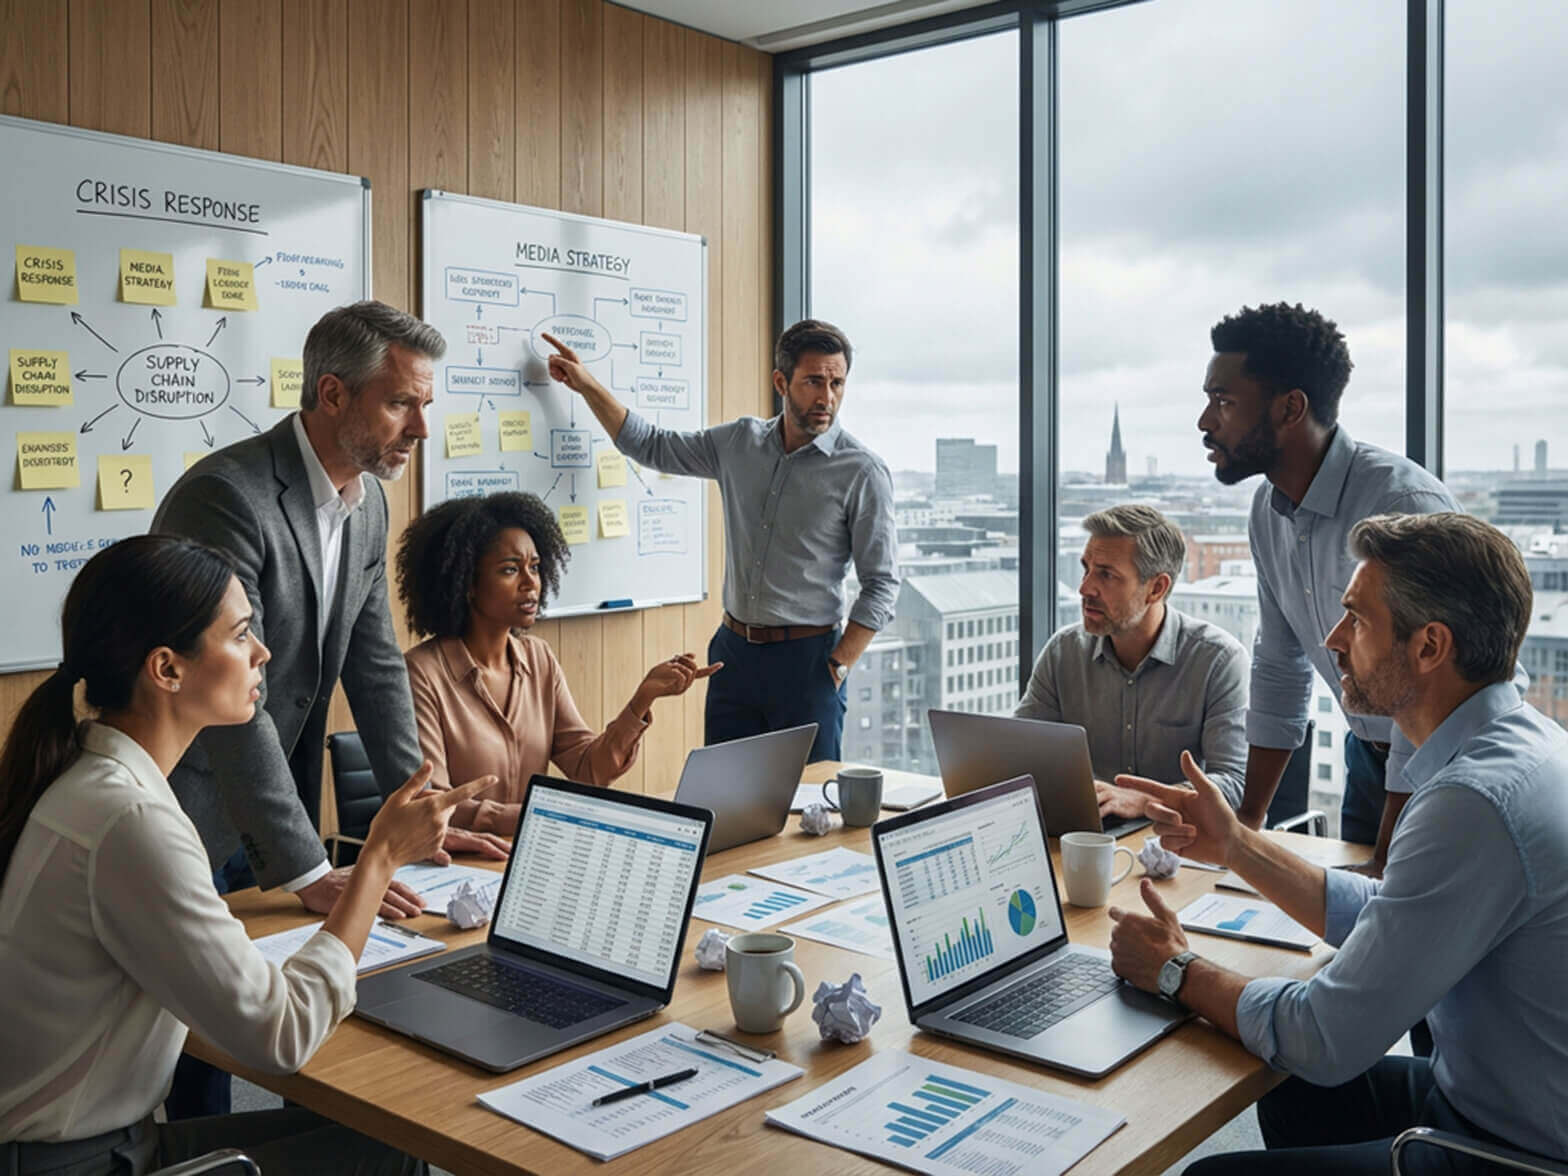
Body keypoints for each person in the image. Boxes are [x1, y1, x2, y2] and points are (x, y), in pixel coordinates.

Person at [0, 535, 493, 1174]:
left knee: (375, 1141)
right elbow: (280, 1035)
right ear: (166, 669)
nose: (263, 652)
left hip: (83, 1143)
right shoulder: (131, 819)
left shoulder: (90, 778)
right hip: (79, 1162)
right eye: (239, 636)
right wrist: (378, 860)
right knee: (390, 1159)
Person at [1105, 513, 1568, 1175]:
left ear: (1430, 647)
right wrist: (1236, 845)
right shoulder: (1521, 745)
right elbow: (1392, 908)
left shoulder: (1474, 805)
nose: (1333, 638)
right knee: (1294, 1096)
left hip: (1515, 1155)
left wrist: (1177, 970)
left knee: (1213, 1172)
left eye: (1356, 618)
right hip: (1498, 1098)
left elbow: (1324, 1035)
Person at [151, 300, 490, 1118]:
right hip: (192, 803)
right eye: (402, 403)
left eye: (426, 406)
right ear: (332, 395)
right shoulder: (227, 496)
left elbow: (375, 667)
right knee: (192, 1039)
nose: (421, 428)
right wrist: (306, 867)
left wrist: (423, 804)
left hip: (278, 800)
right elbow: (239, 695)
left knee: (295, 1019)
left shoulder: (367, 500)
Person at [542, 318, 898, 762]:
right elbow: (652, 445)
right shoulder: (739, 443)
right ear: (781, 382)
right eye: (813, 382)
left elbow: (882, 584)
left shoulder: (862, 471)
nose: (827, 398)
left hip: (809, 662)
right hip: (733, 656)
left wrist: (837, 666)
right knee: (728, 805)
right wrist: (587, 384)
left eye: (837, 383)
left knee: (809, 815)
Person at [1198, 302, 1459, 872]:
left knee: (1391, 924)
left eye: (1223, 402)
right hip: (1368, 754)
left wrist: (1386, 860)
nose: (1205, 421)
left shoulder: (1401, 506)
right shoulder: (1268, 509)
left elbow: (1427, 686)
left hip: (1447, 760)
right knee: (1348, 935)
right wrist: (1245, 831)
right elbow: (1278, 662)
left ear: (1291, 408)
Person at [395, 492, 720, 834]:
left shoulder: (538, 659)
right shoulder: (423, 673)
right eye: (509, 570)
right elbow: (435, 804)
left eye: (534, 567)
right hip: (460, 863)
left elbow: (588, 769)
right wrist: (540, 816)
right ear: (466, 583)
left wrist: (642, 701)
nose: (530, 582)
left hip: (534, 850)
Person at [1015, 505, 1247, 814]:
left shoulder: (1218, 661)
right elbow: (1018, 757)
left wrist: (1145, 801)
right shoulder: (1063, 652)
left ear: (1156, 588)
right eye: (1086, 568)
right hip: (1087, 838)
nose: (1084, 588)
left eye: (1106, 575)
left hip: (1179, 845)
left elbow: (1234, 783)